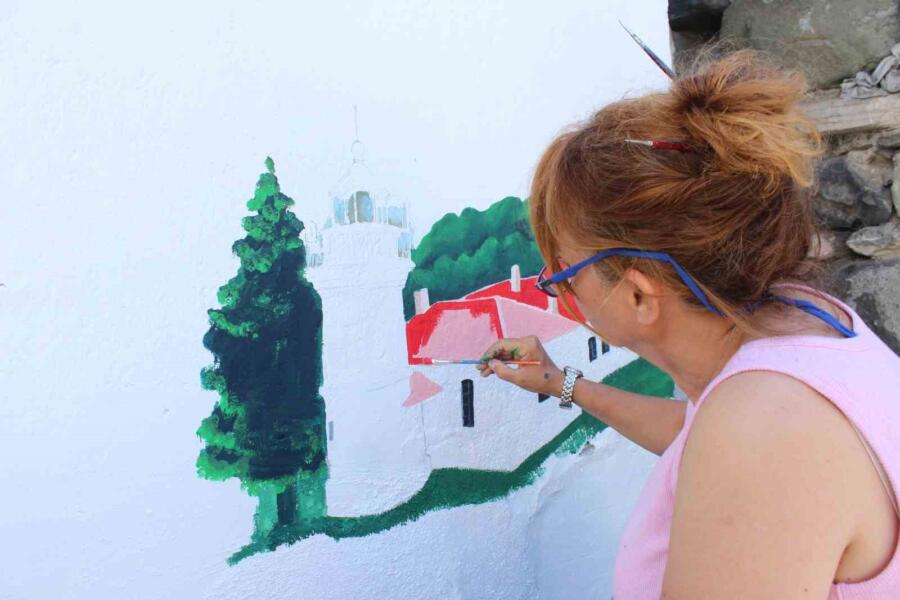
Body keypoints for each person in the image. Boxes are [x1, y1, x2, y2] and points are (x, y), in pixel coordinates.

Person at [478, 50, 900, 599]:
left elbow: (742, 445)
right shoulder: (797, 321)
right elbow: (695, 434)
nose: (556, 288)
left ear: (638, 294)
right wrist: (560, 383)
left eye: (565, 273)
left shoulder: (763, 433)